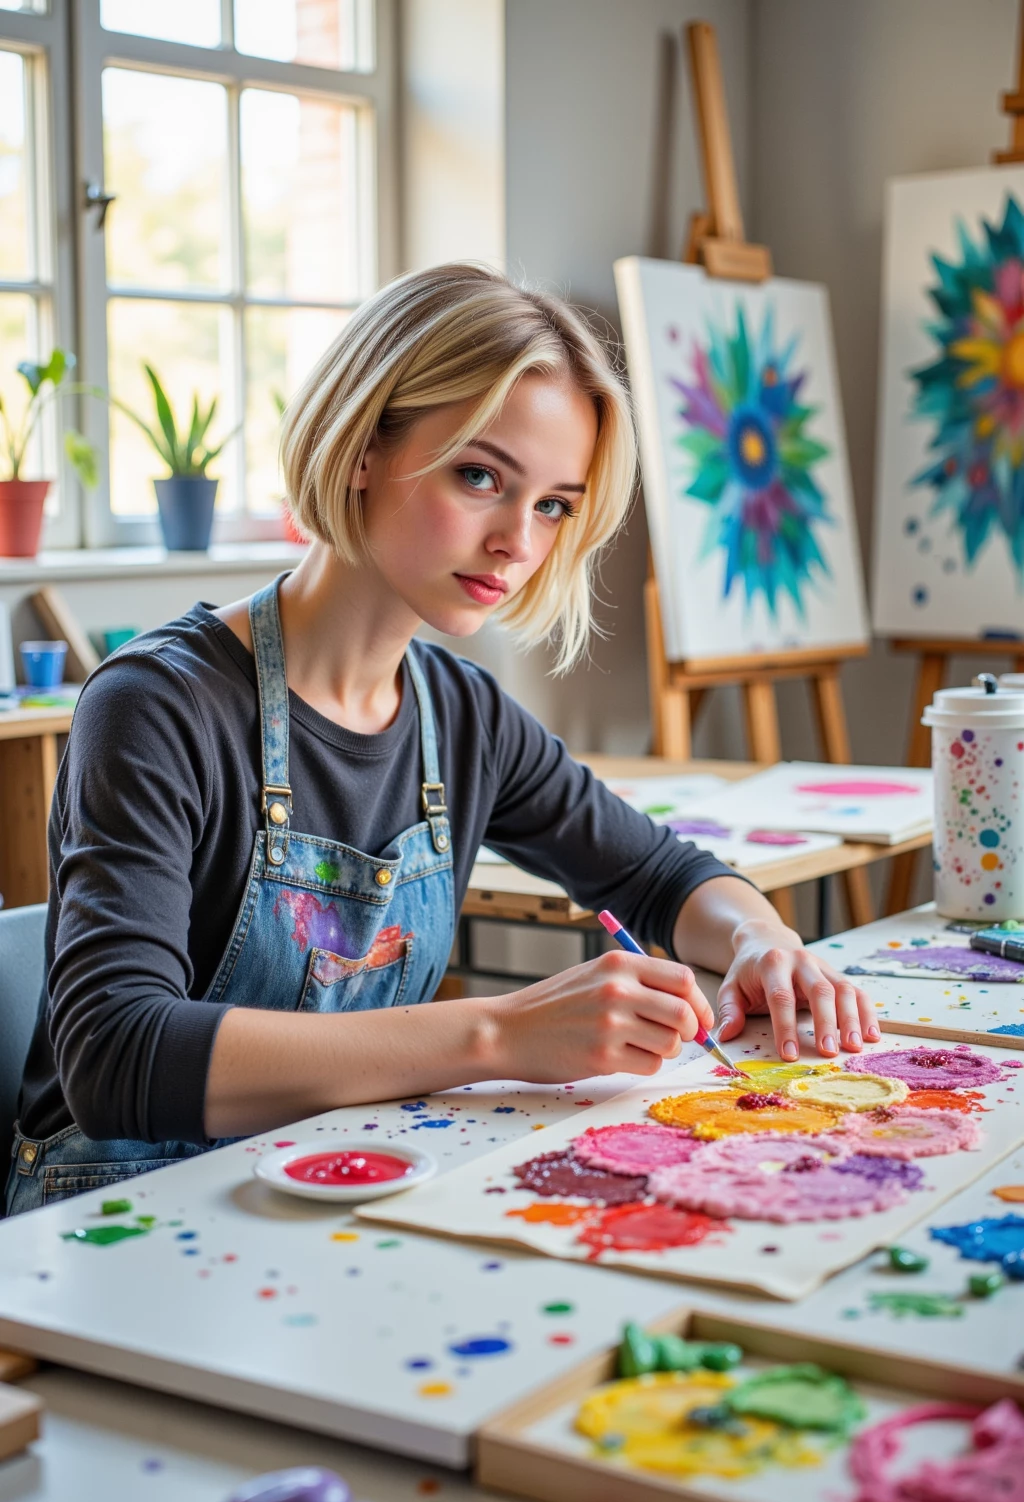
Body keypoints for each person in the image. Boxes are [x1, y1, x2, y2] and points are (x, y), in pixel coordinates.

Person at [5, 264, 878, 1216]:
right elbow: (116, 1057)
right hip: (118, 1225)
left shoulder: (462, 716)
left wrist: (764, 939)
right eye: (480, 477)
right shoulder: (155, 705)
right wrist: (498, 1034)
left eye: (552, 503)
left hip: (332, 1191)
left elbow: (661, 877)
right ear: (359, 448)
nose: (518, 540)